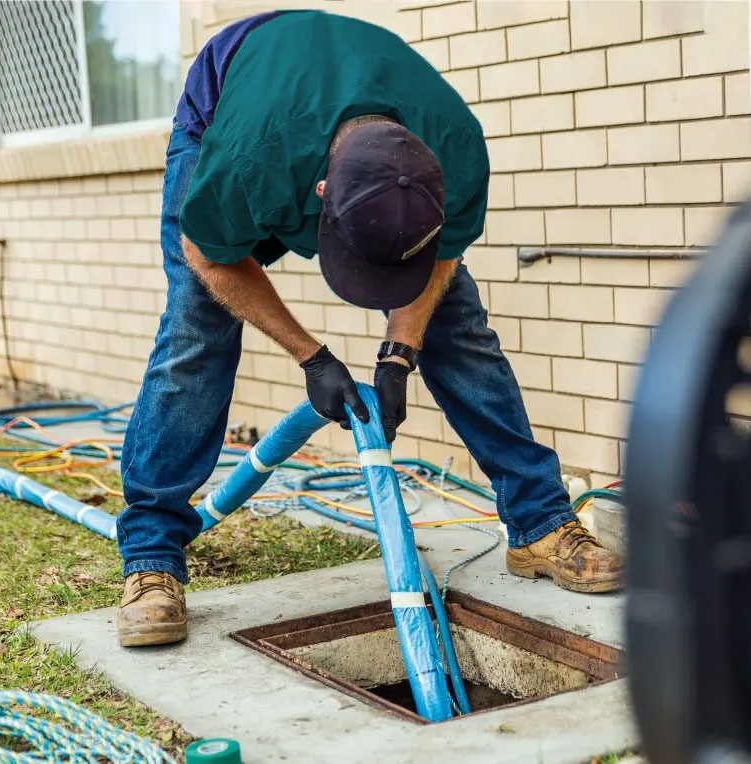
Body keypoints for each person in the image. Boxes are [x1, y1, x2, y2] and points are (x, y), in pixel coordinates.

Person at [117, 10, 622, 648]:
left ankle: (541, 522)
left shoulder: (456, 151)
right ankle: (152, 557)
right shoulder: (247, 159)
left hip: (339, 99)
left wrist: (399, 356)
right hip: (233, 99)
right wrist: (311, 358)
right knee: (197, 330)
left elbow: (443, 259)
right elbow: (209, 256)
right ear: (322, 193)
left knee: (458, 324)